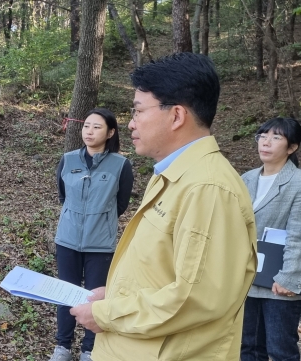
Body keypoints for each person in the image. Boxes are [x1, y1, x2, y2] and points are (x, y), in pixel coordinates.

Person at [69, 52, 257, 361]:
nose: (131, 123)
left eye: (139, 110)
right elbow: (159, 271)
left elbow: (195, 298)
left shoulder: (208, 189)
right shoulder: (172, 175)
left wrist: (107, 314)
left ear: (177, 116)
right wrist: (113, 295)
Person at [48, 108, 133, 361]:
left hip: (101, 244)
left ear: (110, 132)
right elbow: (63, 195)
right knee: (65, 292)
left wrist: (99, 219)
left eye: (97, 127)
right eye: (86, 126)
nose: (90, 131)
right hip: (68, 239)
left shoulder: (120, 165)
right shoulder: (68, 159)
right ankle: (62, 346)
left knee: (96, 298)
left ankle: (89, 349)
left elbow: (121, 204)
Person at [240, 117, 301, 361]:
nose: (266, 142)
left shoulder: (297, 182)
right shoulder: (247, 178)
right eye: (263, 136)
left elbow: (298, 234)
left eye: (276, 137)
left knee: (281, 350)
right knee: (248, 347)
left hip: (279, 283)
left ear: (292, 147)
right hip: (247, 277)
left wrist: (289, 277)